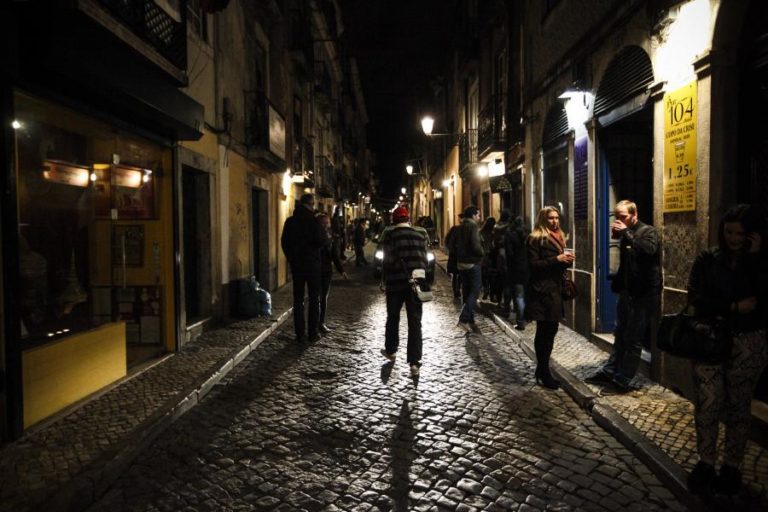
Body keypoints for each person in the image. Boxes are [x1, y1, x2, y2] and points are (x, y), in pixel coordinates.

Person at [685, 204, 767, 496]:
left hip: (748, 343)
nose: (733, 238)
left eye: (740, 233)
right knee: (707, 404)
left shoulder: (758, 262)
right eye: (728, 231)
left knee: (738, 407)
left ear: (752, 235)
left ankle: (732, 466)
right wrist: (732, 307)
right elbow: (695, 297)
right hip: (710, 339)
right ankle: (705, 462)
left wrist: (755, 259)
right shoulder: (708, 259)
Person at [586, 200, 662, 392]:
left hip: (644, 294)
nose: (619, 220)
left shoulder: (648, 232)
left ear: (634, 214)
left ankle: (623, 379)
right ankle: (610, 371)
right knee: (620, 334)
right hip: (628, 291)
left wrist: (626, 233)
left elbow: (648, 250)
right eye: (617, 217)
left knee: (633, 338)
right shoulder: (627, 235)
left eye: (623, 217)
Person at [526, 206, 575, 389]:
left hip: (556, 290)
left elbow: (558, 264)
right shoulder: (535, 238)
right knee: (544, 331)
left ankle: (542, 369)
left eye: (556, 218)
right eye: (550, 218)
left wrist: (566, 261)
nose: (555, 221)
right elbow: (533, 265)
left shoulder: (560, 237)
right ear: (543, 220)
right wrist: (557, 260)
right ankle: (544, 372)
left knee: (551, 330)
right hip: (542, 291)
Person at [379, 206, 429, 376]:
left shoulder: (390, 236)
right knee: (415, 322)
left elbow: (387, 261)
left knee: (393, 317)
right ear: (408, 220)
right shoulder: (419, 235)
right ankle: (414, 363)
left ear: (394, 221)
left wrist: (384, 280)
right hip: (415, 284)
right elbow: (425, 261)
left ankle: (391, 350)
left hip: (395, 284)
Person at [280, 193, 329, 343]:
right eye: (313, 204)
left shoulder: (290, 222)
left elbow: (284, 242)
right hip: (313, 265)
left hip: (297, 265)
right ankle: (313, 333)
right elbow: (323, 240)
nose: (314, 207)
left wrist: (291, 258)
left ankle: (300, 334)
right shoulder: (314, 222)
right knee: (315, 299)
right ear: (309, 205)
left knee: (298, 299)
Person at [450, 206, 485, 331]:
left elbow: (450, 243)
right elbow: (476, 245)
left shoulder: (459, 227)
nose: (479, 218)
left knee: (466, 290)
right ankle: (464, 318)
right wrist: (482, 253)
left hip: (461, 263)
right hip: (472, 262)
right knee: (475, 290)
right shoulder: (472, 226)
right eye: (478, 215)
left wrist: (458, 255)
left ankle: (469, 318)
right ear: (473, 215)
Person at [316, 213, 348, 334]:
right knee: (316, 298)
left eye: (327, 223)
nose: (325, 225)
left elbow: (335, 256)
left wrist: (342, 270)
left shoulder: (331, 237)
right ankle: (314, 324)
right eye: (323, 223)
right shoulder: (314, 235)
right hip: (315, 271)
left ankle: (321, 323)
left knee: (323, 298)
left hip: (326, 272)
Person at [505, 216, 530, 330]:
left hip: (516, 269)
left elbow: (509, 254)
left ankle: (520, 322)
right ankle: (527, 318)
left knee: (519, 296)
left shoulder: (510, 236)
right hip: (528, 268)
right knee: (526, 295)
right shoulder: (528, 236)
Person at [492, 210, 513, 312]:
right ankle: (503, 303)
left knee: (503, 282)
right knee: (504, 282)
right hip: (504, 258)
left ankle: (503, 303)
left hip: (501, 258)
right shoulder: (505, 227)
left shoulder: (498, 227)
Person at [444, 215, 464, 300]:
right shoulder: (455, 229)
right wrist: (452, 250)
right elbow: (448, 240)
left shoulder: (456, 229)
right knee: (456, 274)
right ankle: (456, 290)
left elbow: (447, 241)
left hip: (459, 256)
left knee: (459, 274)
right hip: (456, 256)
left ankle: (457, 290)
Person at [479, 217, 497, 301]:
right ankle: (492, 293)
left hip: (483, 257)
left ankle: (486, 289)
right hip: (491, 256)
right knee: (491, 276)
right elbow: (494, 245)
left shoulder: (480, 233)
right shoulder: (493, 233)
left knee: (484, 275)